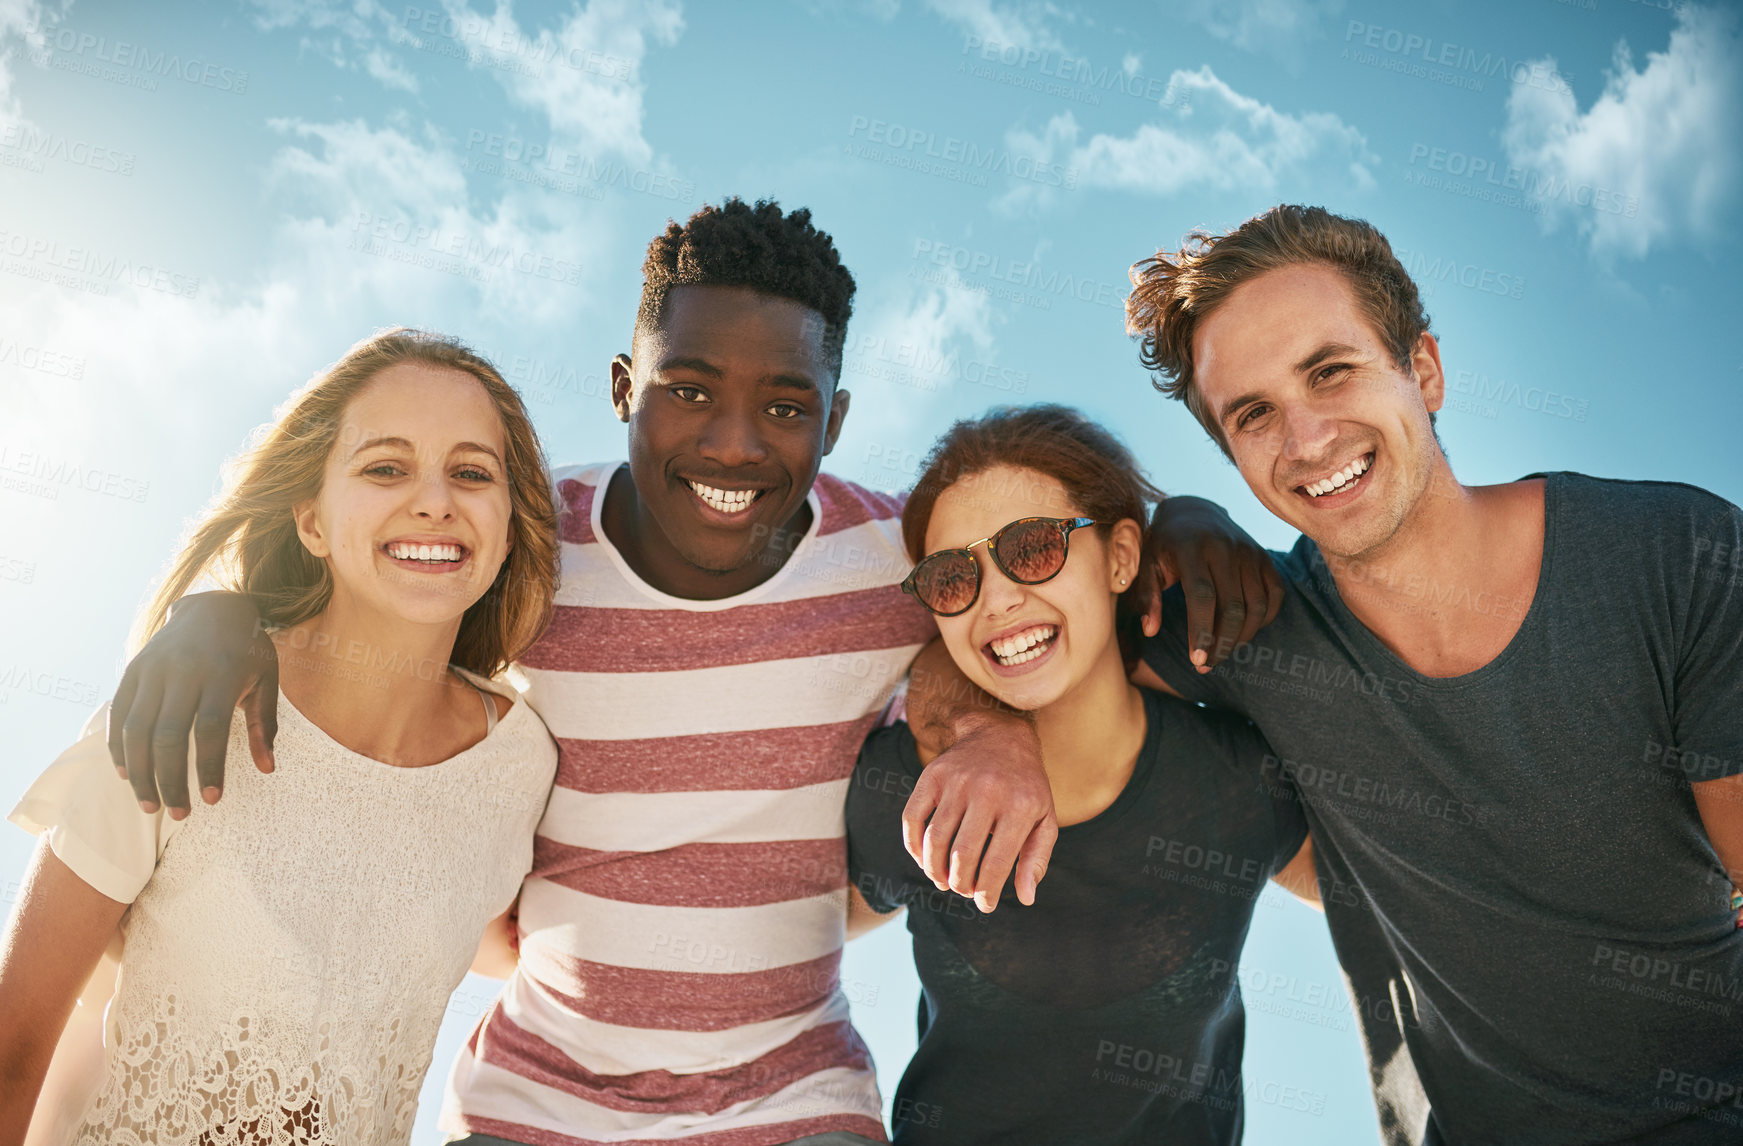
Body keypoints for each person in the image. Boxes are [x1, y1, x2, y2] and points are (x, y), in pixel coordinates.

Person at [93, 199, 1270, 1146]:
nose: (733, 441)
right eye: (689, 389)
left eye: (786, 405)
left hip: (791, 1095)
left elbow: (1026, 609)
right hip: (535, 1096)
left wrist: (1001, 720)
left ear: (836, 421)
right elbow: (362, 586)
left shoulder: (895, 560)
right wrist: (223, 611)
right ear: (623, 389)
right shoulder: (527, 548)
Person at [918, 204, 1743, 1144]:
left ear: (1422, 369)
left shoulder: (1672, 558)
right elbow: (999, 639)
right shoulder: (1241, 630)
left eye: (1331, 371)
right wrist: (988, 731)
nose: (1305, 440)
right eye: (1253, 414)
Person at [0, 329, 562, 1145]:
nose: (435, 500)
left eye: (472, 473)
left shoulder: (519, 765)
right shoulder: (185, 706)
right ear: (310, 520)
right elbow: (13, 1050)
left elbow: (520, 943)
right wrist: (215, 608)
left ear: (509, 528)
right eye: (384, 468)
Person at [847, 406, 1315, 1144]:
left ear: (1121, 557)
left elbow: (1407, 904)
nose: (995, 599)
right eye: (950, 578)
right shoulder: (906, 792)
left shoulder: (1234, 778)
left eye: (1031, 548)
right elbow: (777, 949)